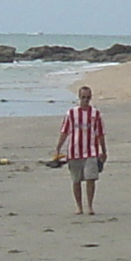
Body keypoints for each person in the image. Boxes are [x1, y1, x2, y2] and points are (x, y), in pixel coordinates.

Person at [54, 84, 107, 215]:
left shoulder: (95, 114)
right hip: (74, 152)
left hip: (91, 151)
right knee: (76, 180)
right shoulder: (71, 113)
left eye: (88, 97)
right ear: (79, 97)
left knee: (91, 179)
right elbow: (64, 131)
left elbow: (100, 134)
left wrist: (104, 151)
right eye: (83, 97)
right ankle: (79, 206)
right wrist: (58, 147)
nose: (85, 100)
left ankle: (89, 205)